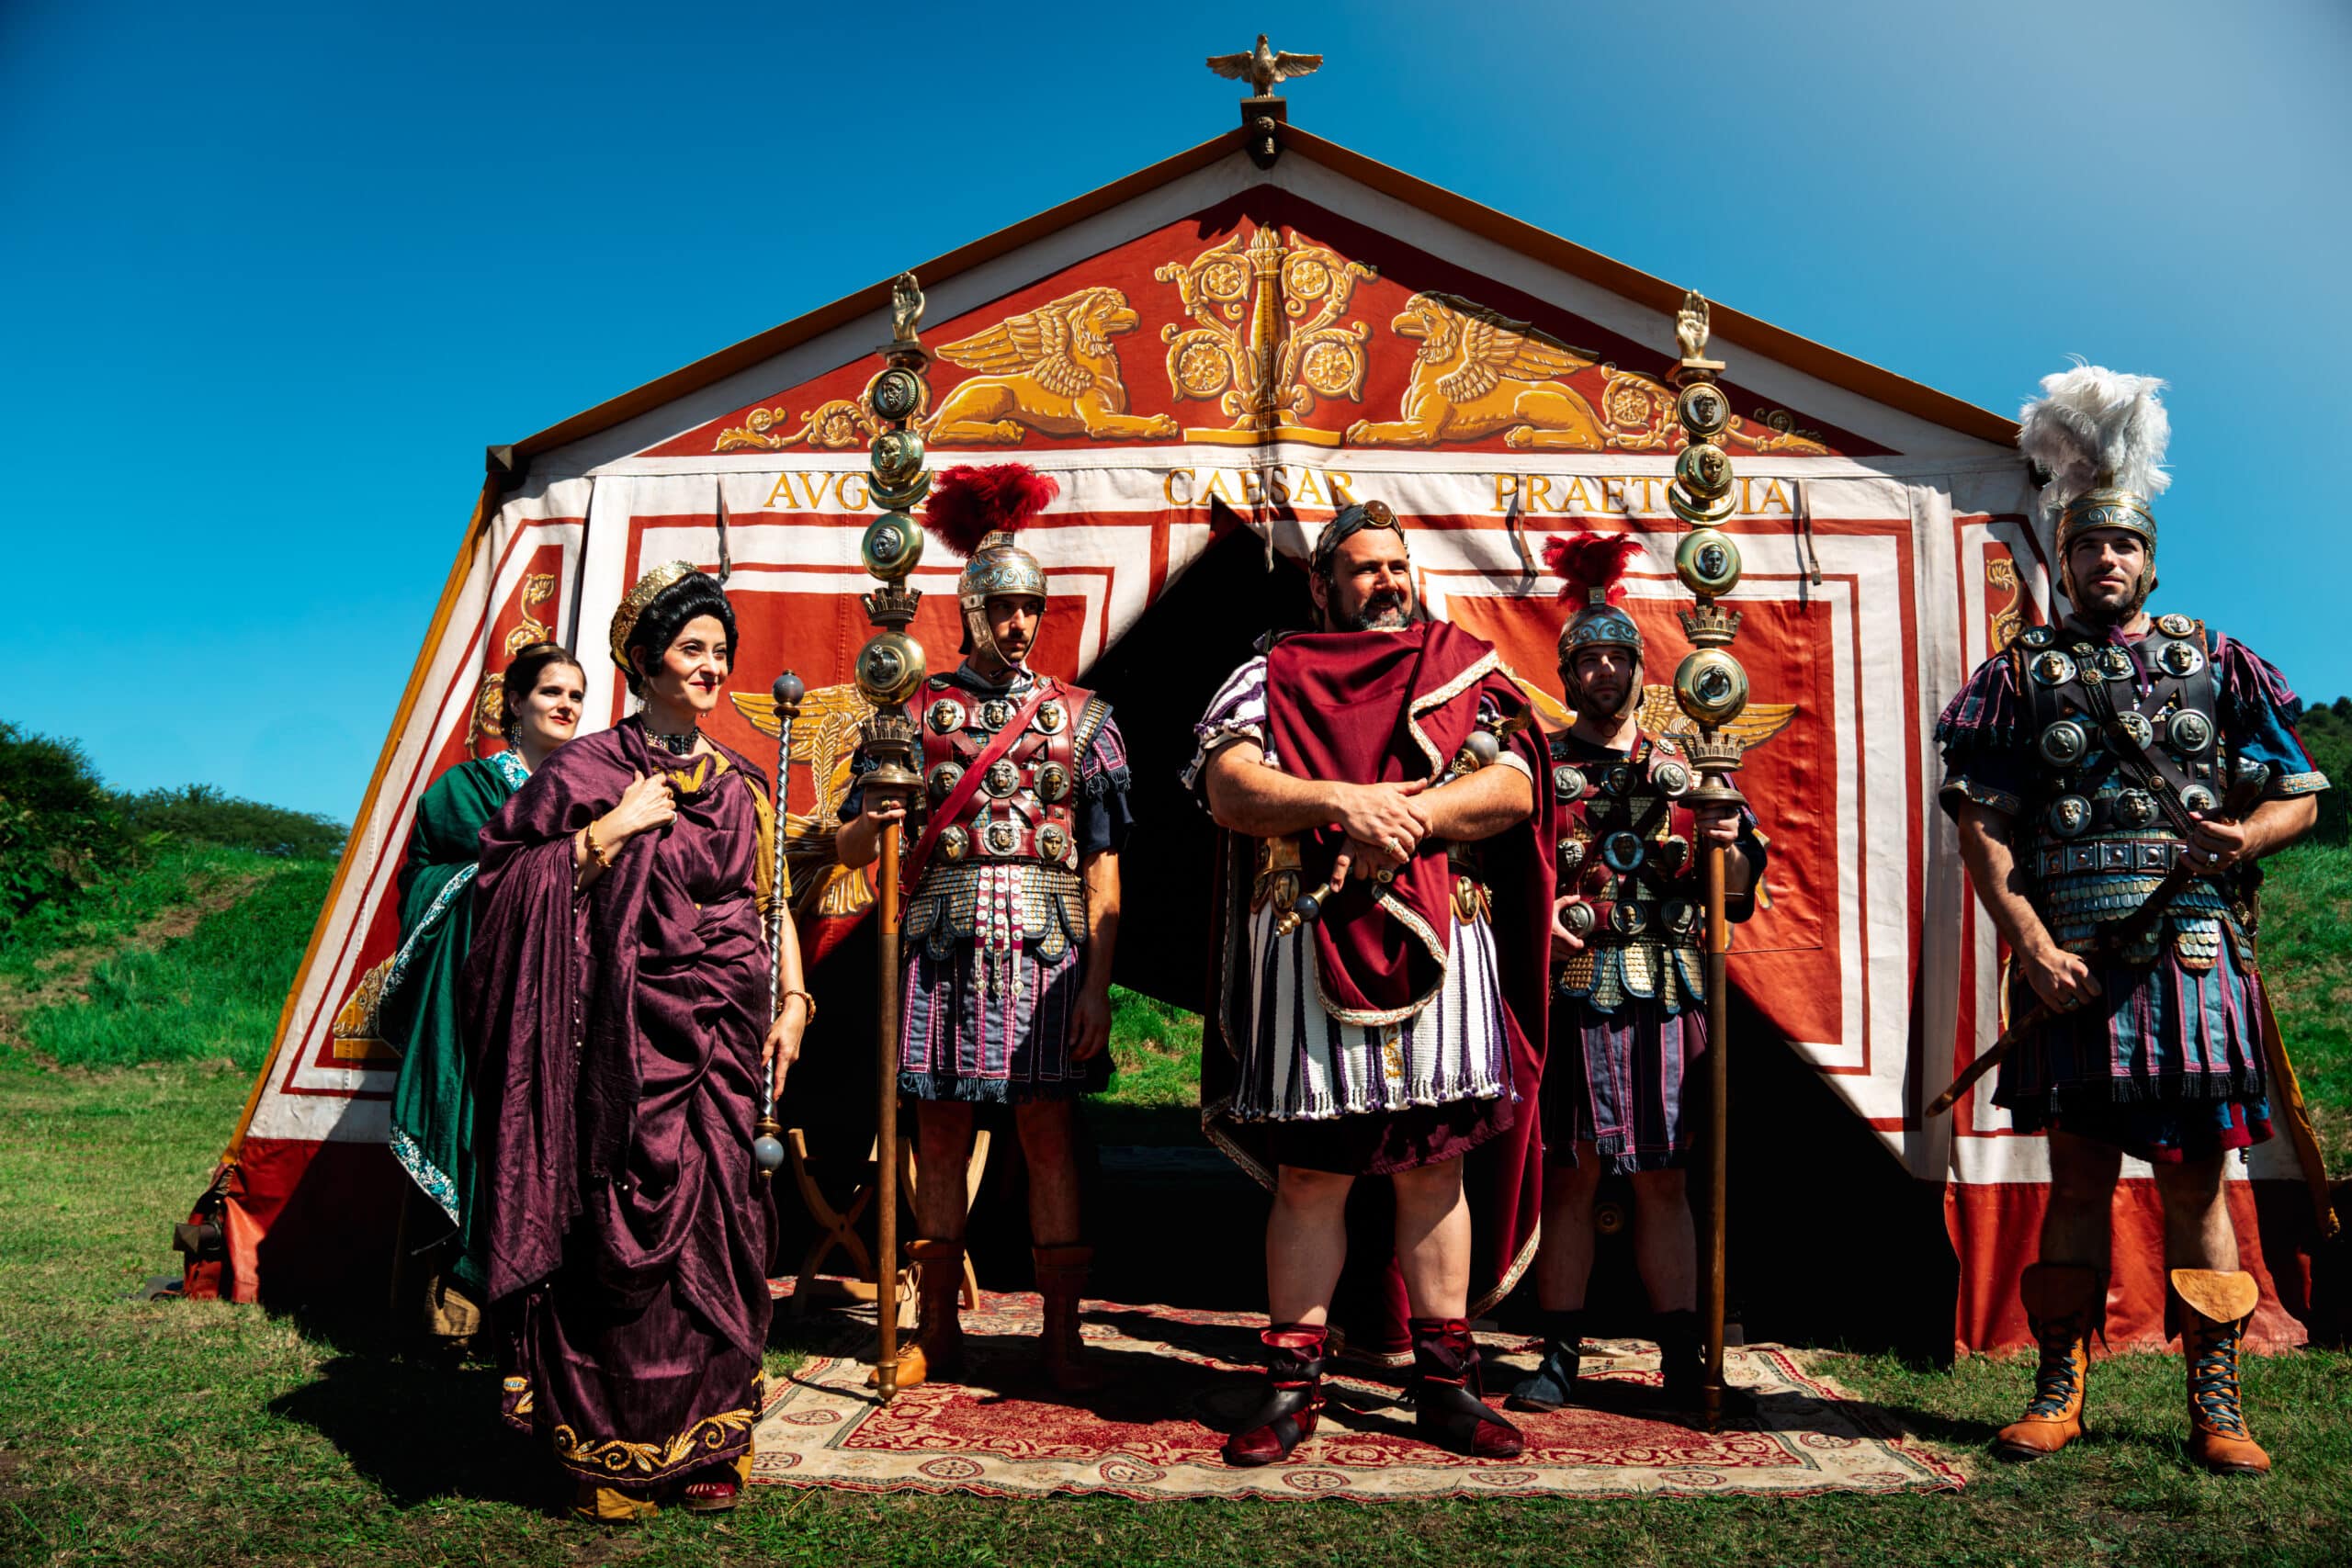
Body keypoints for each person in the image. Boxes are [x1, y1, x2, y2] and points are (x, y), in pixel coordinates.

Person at [1938, 367, 2327, 1474]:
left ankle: (2217, 1402)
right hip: (2071, 962)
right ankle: (2057, 1388)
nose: (2100, 562)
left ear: (2148, 560)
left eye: (2119, 548)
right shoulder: (2022, 674)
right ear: (2059, 563)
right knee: (2074, 1181)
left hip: (2192, 953)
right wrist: (2029, 945)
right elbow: (1981, 823)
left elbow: (2299, 791)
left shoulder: (2213, 660)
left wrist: (2243, 841)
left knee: (2199, 1178)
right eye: (2081, 548)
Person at [1188, 500, 1553, 1464]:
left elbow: (1515, 784)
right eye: (1363, 569)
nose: (1386, 584)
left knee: (1434, 1165)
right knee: (1312, 1172)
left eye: (1396, 566)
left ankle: (1446, 1385)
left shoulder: (1460, 662)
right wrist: (1340, 802)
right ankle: (1291, 1387)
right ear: (1321, 584)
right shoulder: (1267, 672)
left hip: (1442, 930)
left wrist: (1412, 818)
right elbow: (1227, 787)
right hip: (1308, 942)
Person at [467, 562, 811, 1520]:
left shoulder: (742, 785)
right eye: (693, 649)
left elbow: (767, 899)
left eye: (721, 652)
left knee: (721, 1230)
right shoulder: (585, 775)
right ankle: (604, 1452)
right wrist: (601, 836)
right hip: (618, 1053)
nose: (713, 667)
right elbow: (498, 893)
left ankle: (707, 1445)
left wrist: (793, 996)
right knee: (618, 1237)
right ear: (645, 660)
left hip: (724, 1044)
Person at [836, 463, 1132, 1392]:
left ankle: (1060, 1334)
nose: (1015, 624)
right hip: (940, 943)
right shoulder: (913, 712)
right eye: (1000, 607)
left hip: (1047, 950)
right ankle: (936, 1330)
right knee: (937, 1134)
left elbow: (1103, 864)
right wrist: (871, 821)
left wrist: (1097, 984)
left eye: (1028, 609)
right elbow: (851, 845)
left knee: (1047, 1137)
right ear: (968, 610)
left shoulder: (1083, 721)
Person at [1506, 534, 1763, 1416]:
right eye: (1590, 658)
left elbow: (1733, 897)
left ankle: (1682, 1358)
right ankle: (1559, 1355)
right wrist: (1538, 924)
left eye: (1620, 657)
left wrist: (1730, 841)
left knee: (1662, 1176)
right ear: (1568, 672)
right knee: (1570, 1172)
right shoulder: (1539, 767)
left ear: (1643, 671)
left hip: (1664, 988)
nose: (1605, 672)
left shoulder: (1689, 771)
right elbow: (1509, 873)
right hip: (1573, 993)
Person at [381, 642, 582, 1340]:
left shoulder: (591, 789)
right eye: (551, 692)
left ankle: (537, 1311)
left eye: (576, 696)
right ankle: (452, 1301)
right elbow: (431, 878)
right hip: (477, 991)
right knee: (477, 1118)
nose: (565, 706)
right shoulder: (464, 789)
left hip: (561, 995)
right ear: (514, 707)